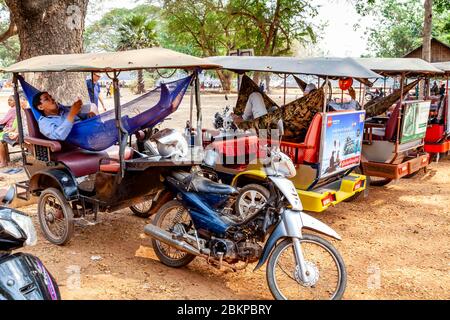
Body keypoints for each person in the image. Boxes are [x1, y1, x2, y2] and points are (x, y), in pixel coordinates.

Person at [0, 97, 28, 167]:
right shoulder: (20, 110)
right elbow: (17, 124)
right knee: (2, 136)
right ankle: (5, 160)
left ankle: (4, 161)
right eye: (8, 100)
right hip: (15, 131)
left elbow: (5, 121)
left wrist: (14, 131)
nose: (9, 101)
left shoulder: (16, 110)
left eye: (11, 100)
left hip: (22, 134)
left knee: (1, 138)